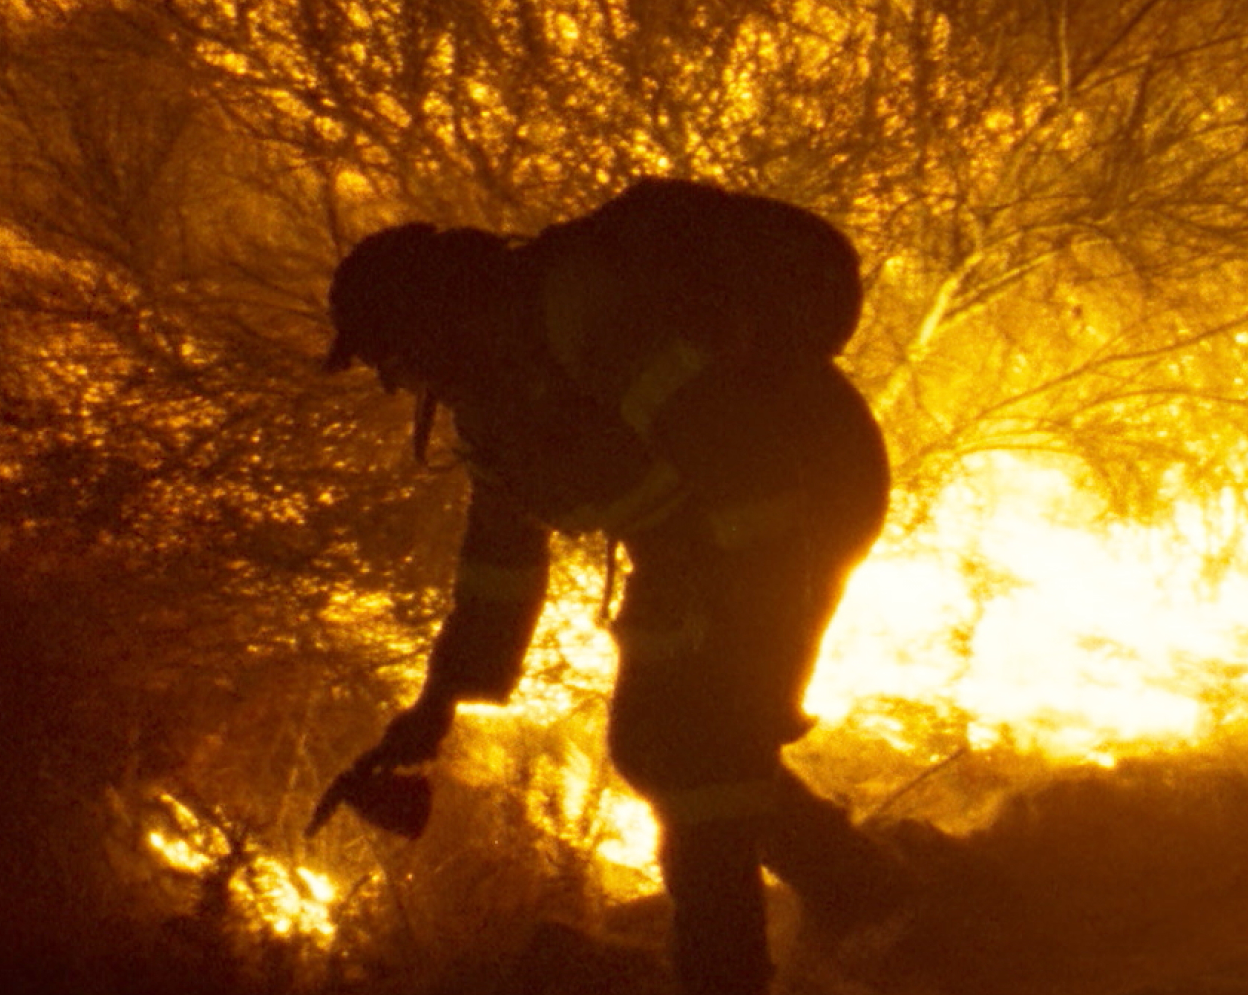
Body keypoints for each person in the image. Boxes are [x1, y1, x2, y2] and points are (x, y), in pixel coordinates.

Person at [309, 179, 902, 995]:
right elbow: (499, 565)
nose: (397, 380)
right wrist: (439, 703)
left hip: (802, 496)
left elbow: (743, 470)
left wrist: (761, 643)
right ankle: (866, 892)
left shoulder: (583, 314)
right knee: (657, 743)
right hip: (693, 541)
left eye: (392, 355)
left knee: (705, 754)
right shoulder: (492, 393)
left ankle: (732, 970)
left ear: (432, 313)